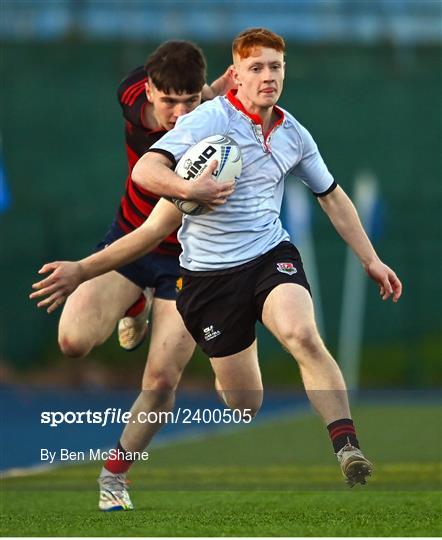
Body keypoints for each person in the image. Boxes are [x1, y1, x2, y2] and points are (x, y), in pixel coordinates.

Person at [31, 27, 402, 500]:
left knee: (301, 334)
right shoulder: (205, 124)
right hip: (202, 274)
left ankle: (346, 446)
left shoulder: (294, 134)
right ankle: (135, 308)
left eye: (275, 67)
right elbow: (148, 192)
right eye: (256, 68)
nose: (268, 76)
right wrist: (84, 268)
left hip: (269, 256)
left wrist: (371, 259)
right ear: (237, 77)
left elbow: (332, 196)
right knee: (243, 403)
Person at [38, 40, 236, 512]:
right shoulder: (130, 98)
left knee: (162, 380)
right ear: (147, 91)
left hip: (189, 263)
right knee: (72, 341)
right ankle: (136, 302)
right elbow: (154, 169)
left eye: (191, 102)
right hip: (130, 240)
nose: (180, 113)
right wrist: (191, 187)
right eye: (169, 101)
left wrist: (215, 96)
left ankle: (114, 477)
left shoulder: (217, 122)